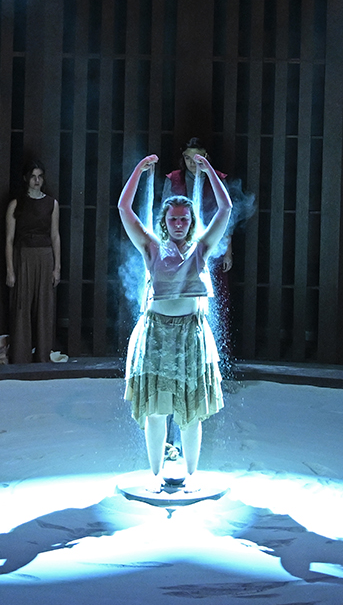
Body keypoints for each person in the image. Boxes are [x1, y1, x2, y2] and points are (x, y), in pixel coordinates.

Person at [119, 152, 232, 485]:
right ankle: (155, 474)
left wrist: (208, 169)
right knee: (156, 410)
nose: (178, 223)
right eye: (173, 219)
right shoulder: (152, 248)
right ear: (165, 222)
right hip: (155, 333)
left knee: (191, 411)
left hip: (190, 334)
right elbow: (124, 210)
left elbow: (225, 209)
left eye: (184, 219)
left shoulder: (201, 248)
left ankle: (190, 475)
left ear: (191, 222)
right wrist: (139, 170)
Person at [162, 138, 234, 338]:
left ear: (206, 156)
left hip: (211, 245)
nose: (192, 163)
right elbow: (163, 213)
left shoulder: (218, 179)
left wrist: (227, 251)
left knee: (215, 295)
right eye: (188, 158)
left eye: (197, 158)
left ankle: (214, 346)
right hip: (179, 247)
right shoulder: (174, 179)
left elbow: (227, 216)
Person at [4, 160, 61, 364]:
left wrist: (57, 267)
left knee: (44, 306)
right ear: (26, 179)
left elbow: (55, 236)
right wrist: (10, 270)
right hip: (23, 256)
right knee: (21, 306)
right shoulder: (16, 204)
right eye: (33, 176)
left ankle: (43, 355)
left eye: (40, 177)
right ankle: (20, 356)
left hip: (45, 256)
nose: (37, 181)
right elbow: (9, 240)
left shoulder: (52, 203)